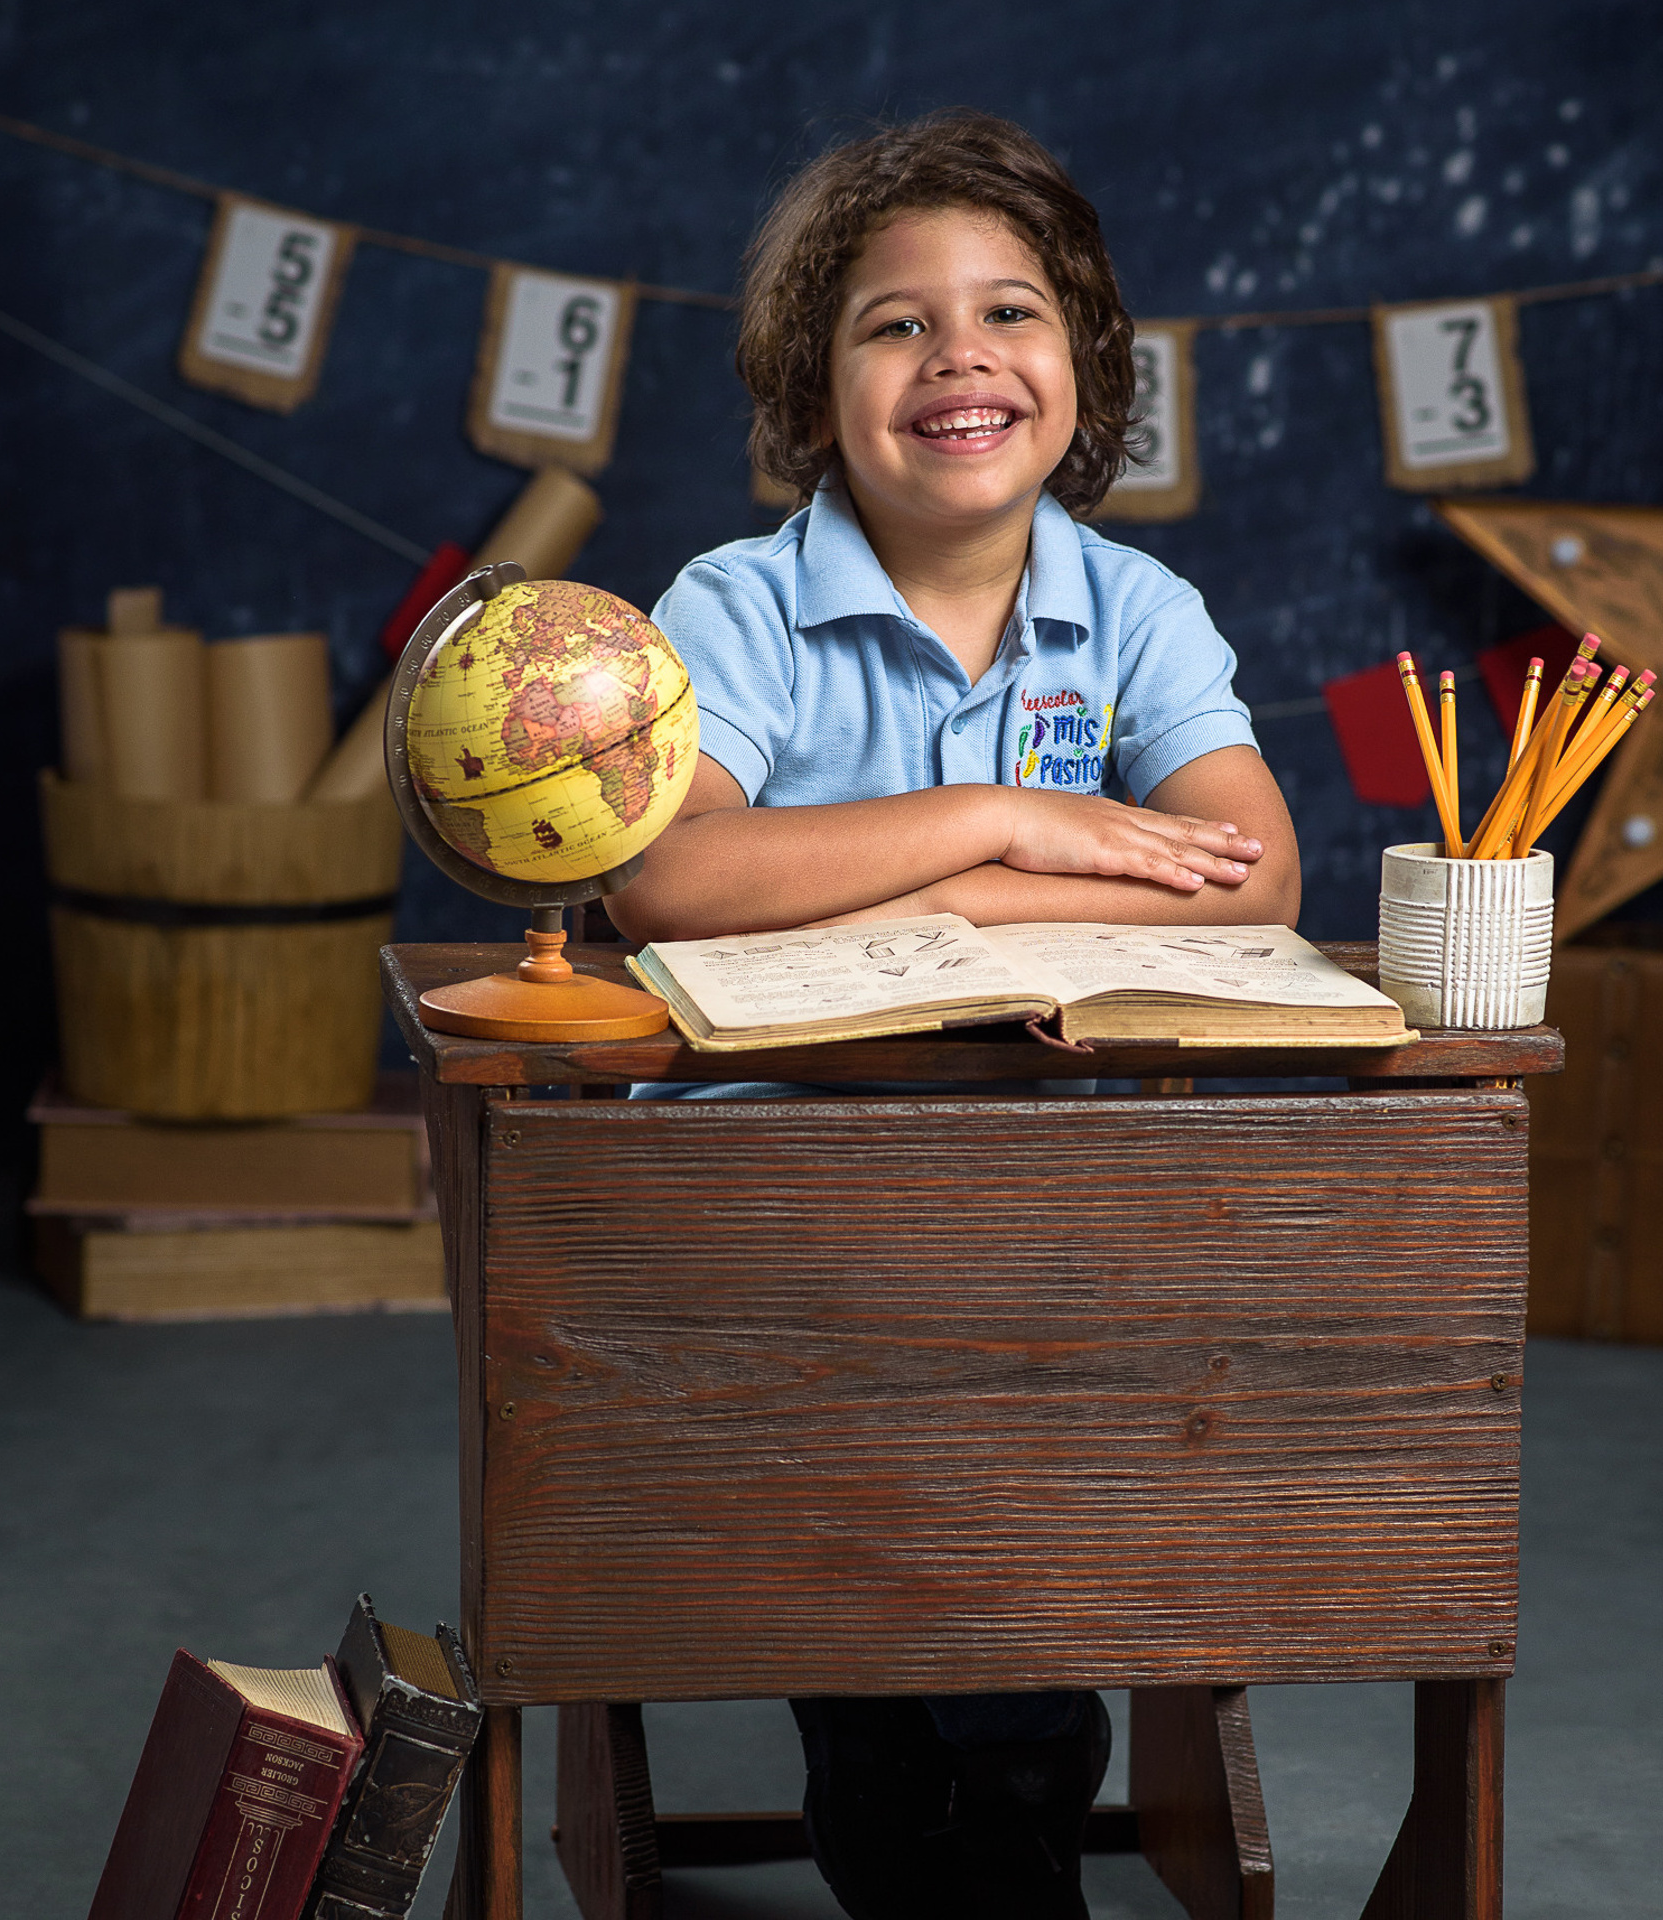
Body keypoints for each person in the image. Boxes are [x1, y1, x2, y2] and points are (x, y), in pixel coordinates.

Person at [610, 110, 1300, 1920]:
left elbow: (1250, 870)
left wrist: (932, 896)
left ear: (1083, 368)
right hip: (785, 1217)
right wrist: (1005, 821)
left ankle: (989, 1817)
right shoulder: (740, 608)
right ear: (810, 386)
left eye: (1011, 313)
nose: (960, 358)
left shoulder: (1132, 608)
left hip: (1058, 1219)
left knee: (1031, 1535)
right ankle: (943, 1822)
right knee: (890, 1589)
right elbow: (670, 882)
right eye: (894, 325)